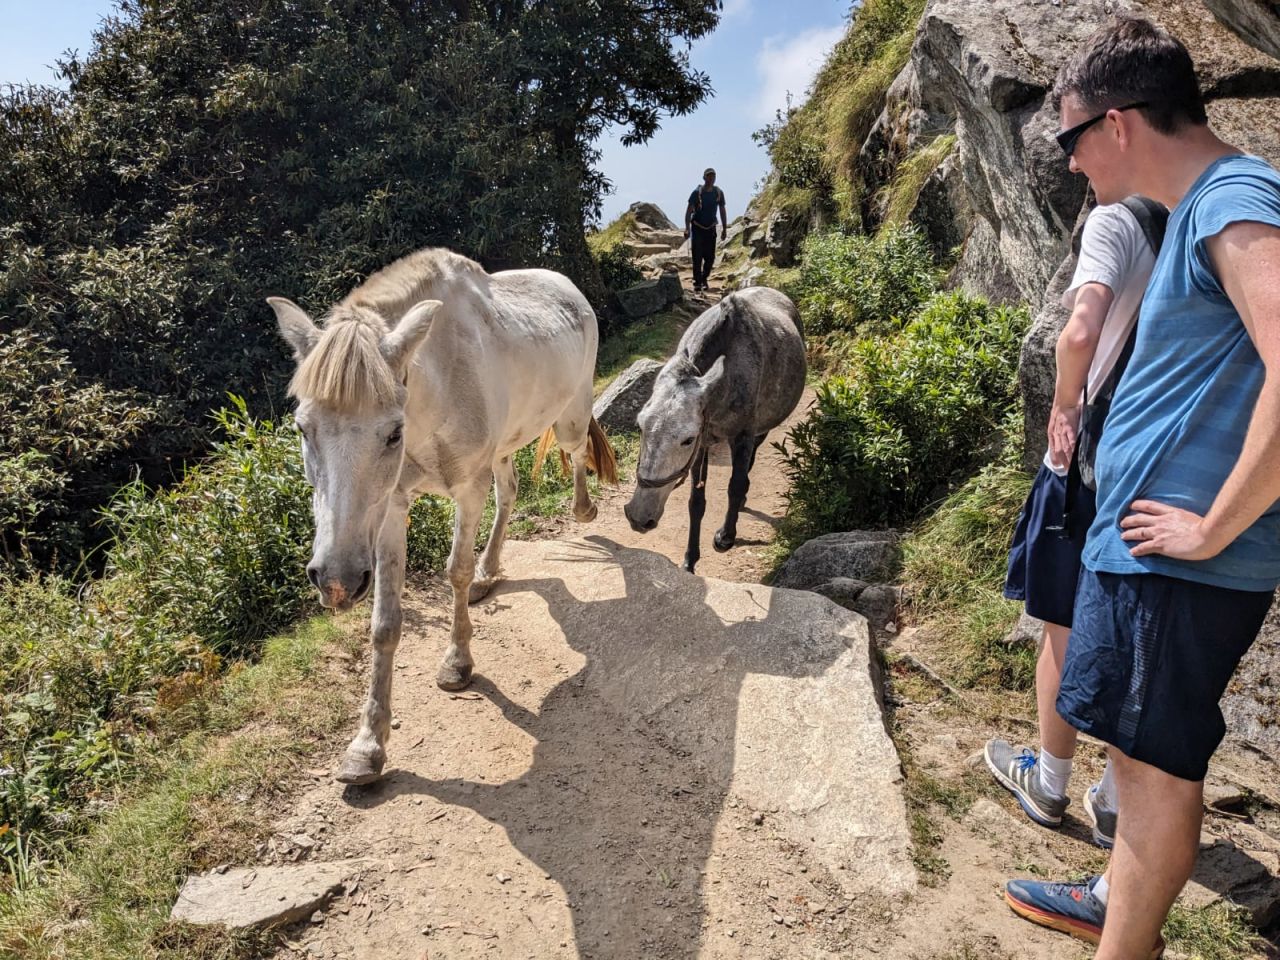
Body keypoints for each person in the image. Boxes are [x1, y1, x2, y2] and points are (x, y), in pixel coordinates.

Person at [1002, 17, 1280, 960]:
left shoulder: (1237, 194)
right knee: (1136, 755)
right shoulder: (1203, 209)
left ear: (1118, 124)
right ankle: (1115, 906)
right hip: (1150, 557)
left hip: (1179, 565)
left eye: (1073, 138)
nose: (1072, 162)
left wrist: (1212, 526)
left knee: (1154, 775)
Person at [986, 190, 1163, 848]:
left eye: (1075, 138)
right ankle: (1117, 801)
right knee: (1136, 629)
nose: (1068, 161)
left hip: (1089, 465)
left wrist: (1064, 406)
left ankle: (1050, 784)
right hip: (1156, 469)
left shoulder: (1119, 220)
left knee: (1059, 622)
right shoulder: (1198, 222)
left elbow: (1082, 329)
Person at [684, 168, 727, 293]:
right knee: (697, 257)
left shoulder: (718, 193)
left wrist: (724, 228)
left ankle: (704, 278)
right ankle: (697, 282)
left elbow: (722, 210)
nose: (711, 179)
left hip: (711, 229)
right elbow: (688, 211)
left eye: (713, 176)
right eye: (709, 176)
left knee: (710, 258)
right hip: (697, 228)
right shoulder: (696, 193)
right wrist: (687, 229)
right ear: (704, 178)